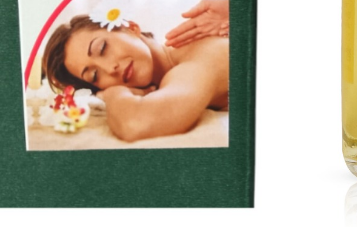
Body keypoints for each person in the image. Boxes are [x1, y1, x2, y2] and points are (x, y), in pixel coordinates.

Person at [43, 13, 228, 142]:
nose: (110, 68)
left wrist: (113, 94)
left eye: (102, 48)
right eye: (94, 75)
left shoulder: (202, 57)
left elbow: (136, 124)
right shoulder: (172, 76)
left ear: (130, 28)